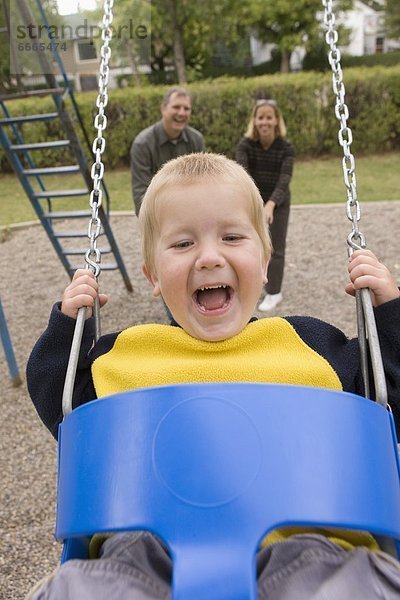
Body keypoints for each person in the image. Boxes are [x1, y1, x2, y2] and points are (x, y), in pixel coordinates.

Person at [26, 153, 400, 599]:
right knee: (77, 589)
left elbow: (388, 397)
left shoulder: (310, 343)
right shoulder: (122, 355)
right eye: (183, 244)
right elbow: (59, 399)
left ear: (264, 262)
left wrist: (389, 314)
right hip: (140, 559)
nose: (208, 257)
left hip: (312, 551)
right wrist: (70, 327)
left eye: (232, 236)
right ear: (153, 276)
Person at [236, 99, 295, 312]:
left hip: (278, 203)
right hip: (252, 200)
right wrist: (258, 205)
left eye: (269, 117)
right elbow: (244, 176)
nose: (265, 122)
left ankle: (274, 292)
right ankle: (251, 283)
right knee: (250, 244)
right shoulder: (245, 145)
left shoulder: (287, 148)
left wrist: (270, 205)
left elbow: (284, 180)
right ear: (255, 120)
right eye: (261, 117)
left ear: (276, 120)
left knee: (275, 247)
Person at [130, 86, 205, 215]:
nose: (182, 113)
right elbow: (140, 196)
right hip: (158, 215)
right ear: (163, 109)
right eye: (176, 107)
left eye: (186, 108)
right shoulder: (142, 144)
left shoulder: (196, 140)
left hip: (192, 212)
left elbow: (204, 183)